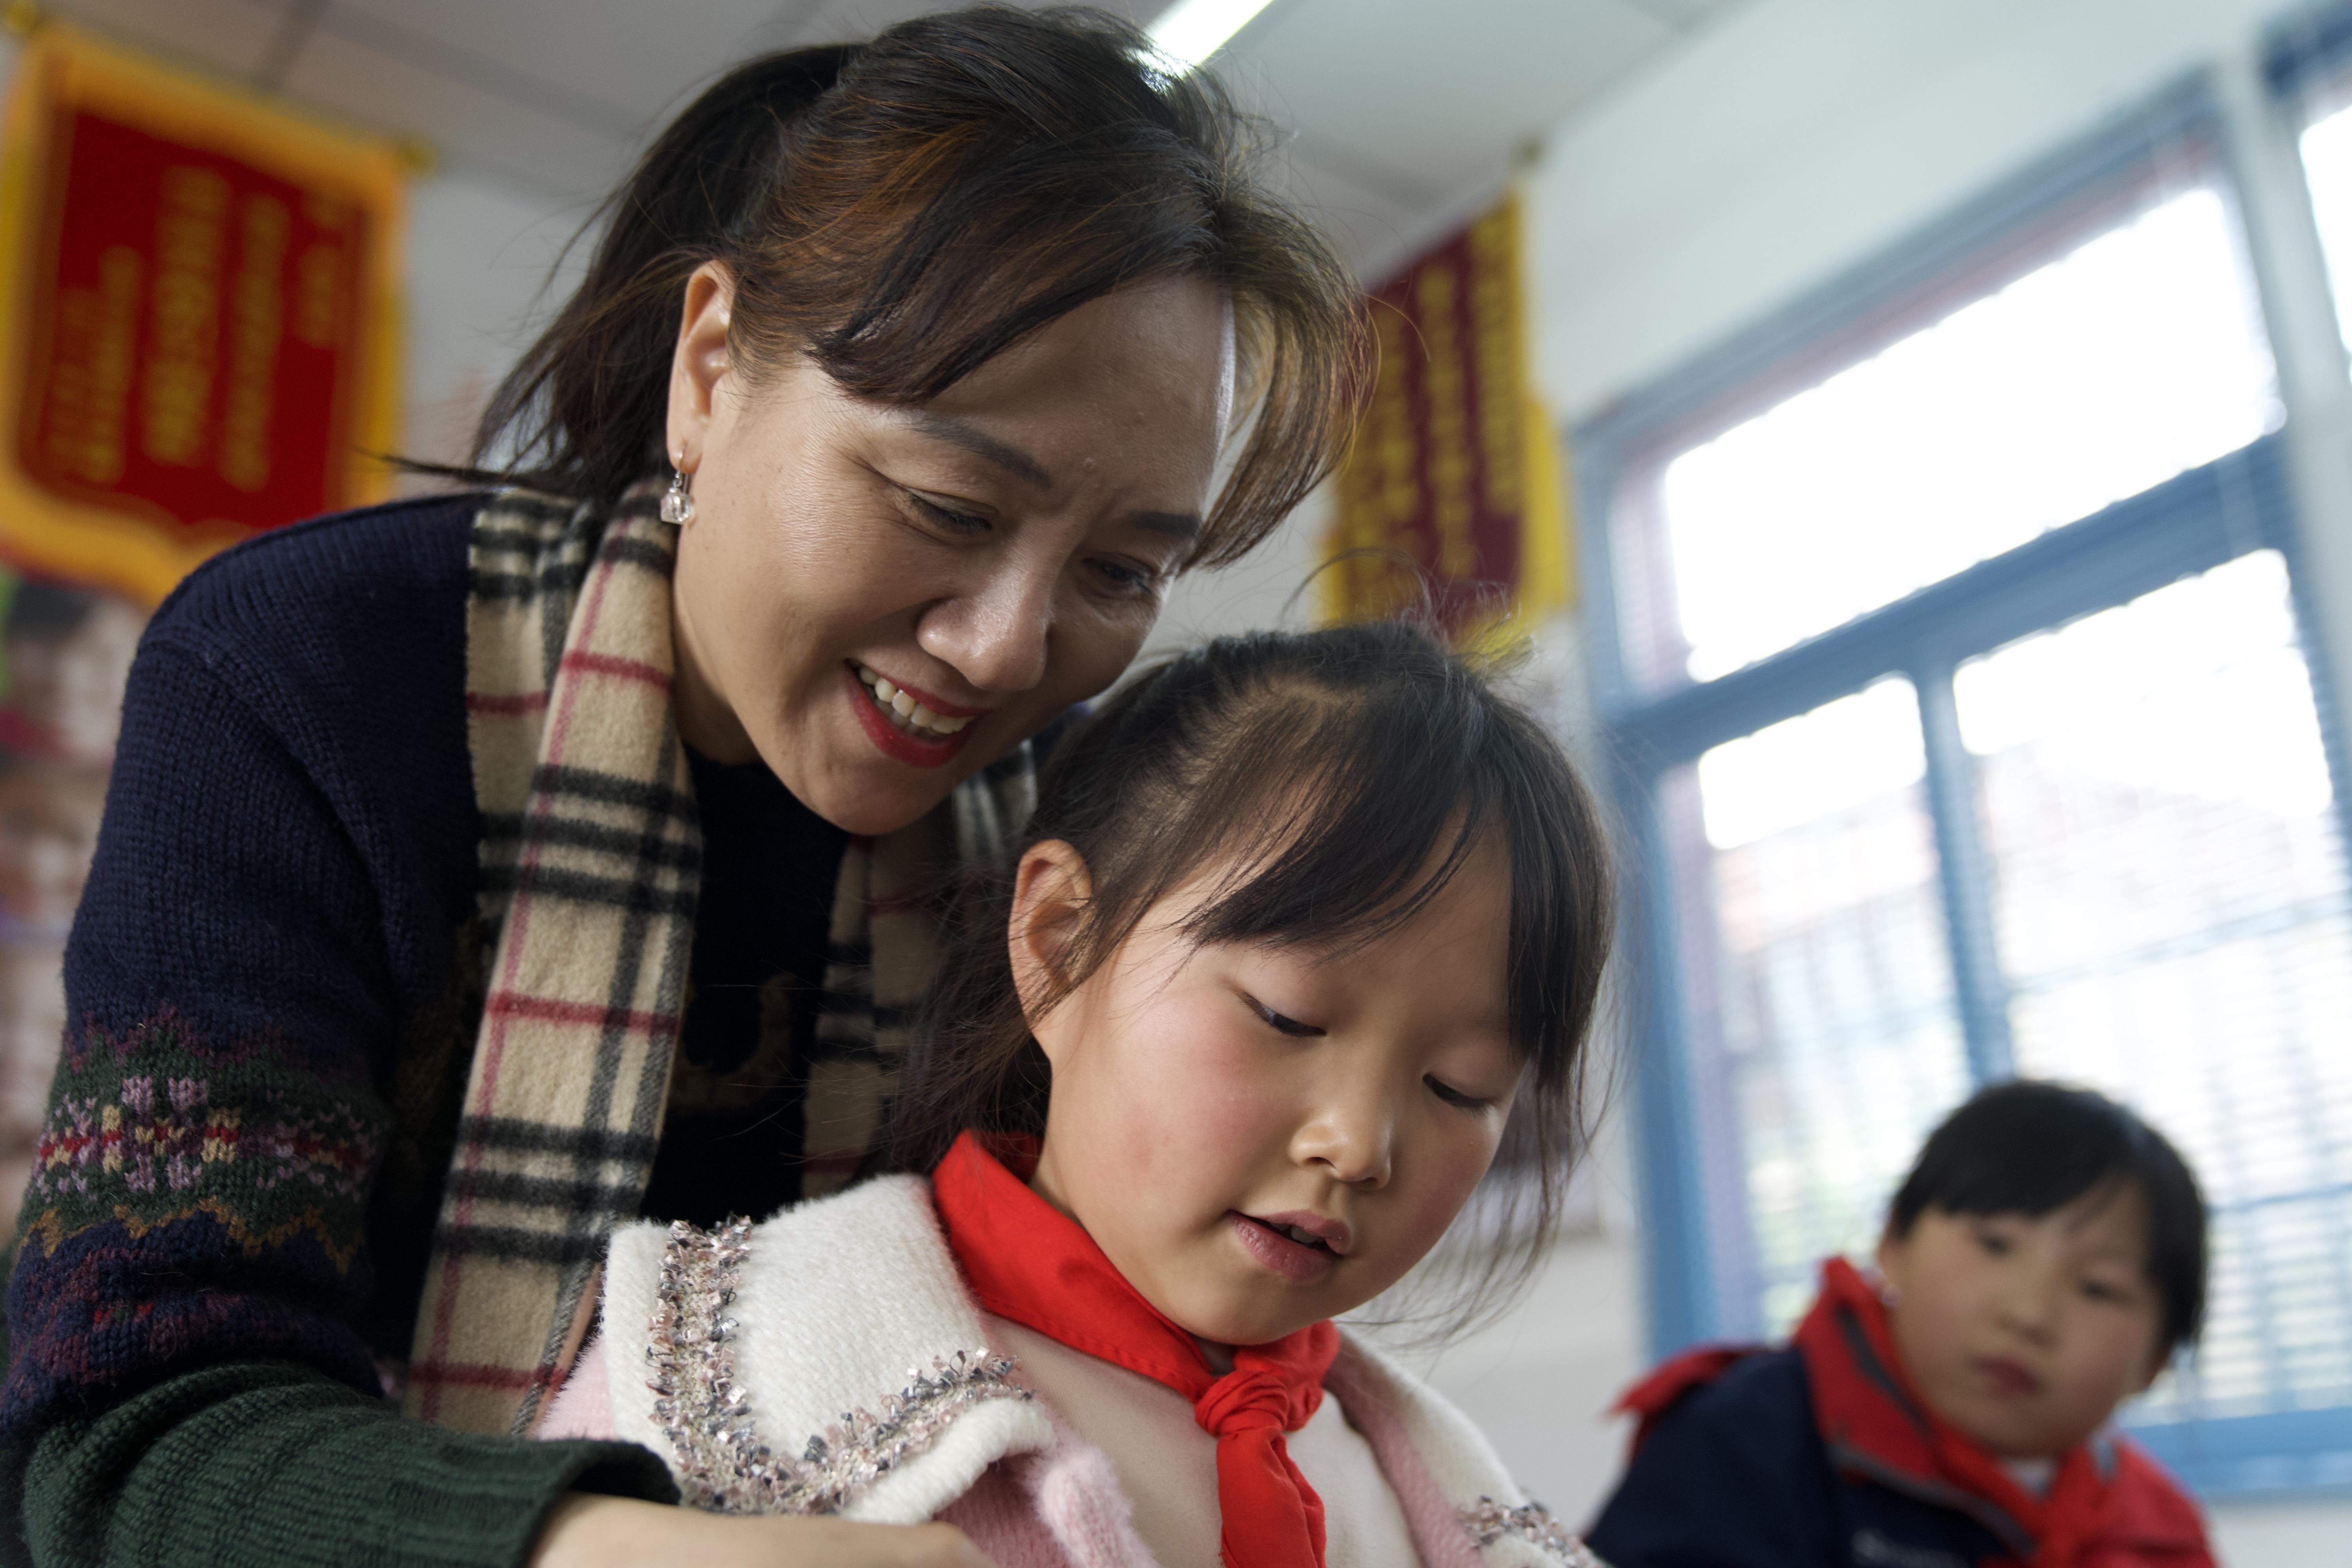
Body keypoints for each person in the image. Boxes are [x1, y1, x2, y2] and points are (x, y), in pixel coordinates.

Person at [0, 8, 1366, 1564]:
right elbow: (130, 1437)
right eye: (944, 502)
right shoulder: (311, 677)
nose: (1005, 650)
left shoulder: (1059, 858)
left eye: (1121, 570)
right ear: (711, 369)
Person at [530, 622, 1618, 1568]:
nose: (1359, 1145)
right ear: (1059, 944)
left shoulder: (1438, 1501)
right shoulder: (724, 1378)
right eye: (1287, 1018)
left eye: (1459, 1087)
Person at [1586, 1080, 2216, 1568]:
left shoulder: (2159, 1532)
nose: (2027, 1315)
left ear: (2156, 1361)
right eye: (1995, 1245)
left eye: (2098, 1288)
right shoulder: (1744, 1436)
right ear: (1892, 1243)